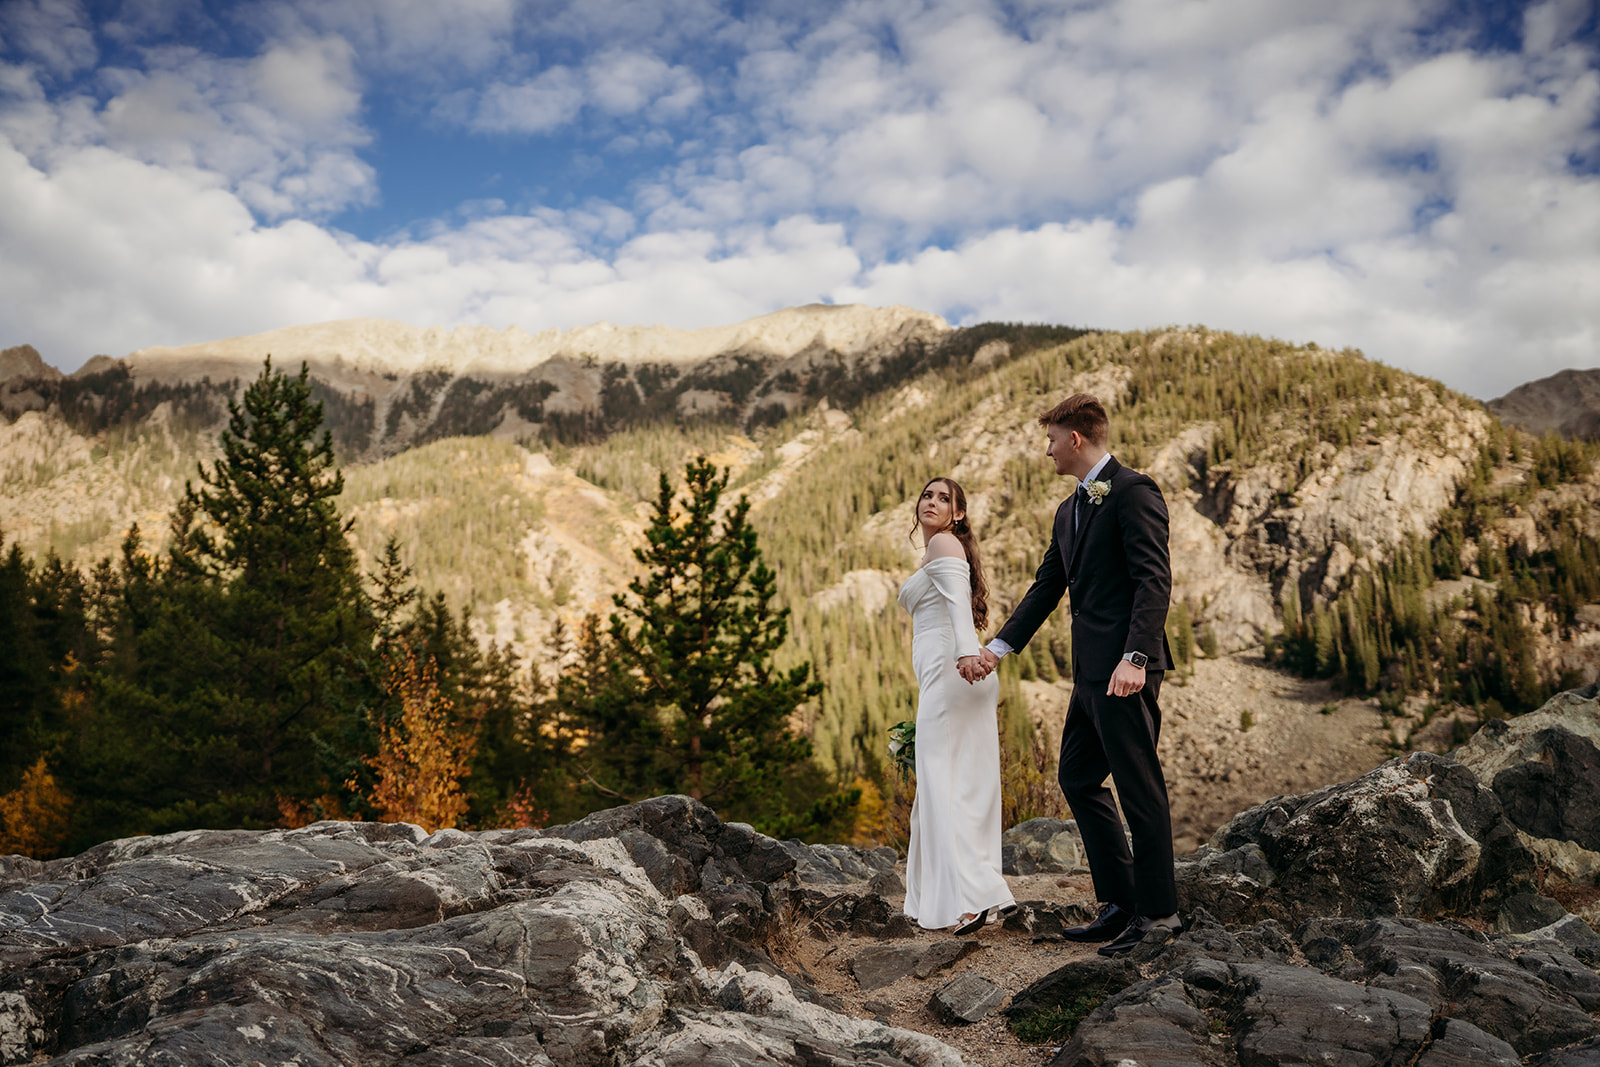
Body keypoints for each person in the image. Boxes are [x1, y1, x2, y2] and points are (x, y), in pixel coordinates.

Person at [963, 393, 1180, 956]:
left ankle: (1160, 917)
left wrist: (1136, 657)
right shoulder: (1069, 509)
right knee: (1078, 779)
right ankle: (1120, 902)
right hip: (1088, 675)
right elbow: (1046, 588)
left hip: (1126, 669)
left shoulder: (1134, 491)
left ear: (1076, 439)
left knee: (1139, 787)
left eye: (1052, 440)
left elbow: (1154, 580)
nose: (1048, 450)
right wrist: (998, 649)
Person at [898, 476, 1016, 934]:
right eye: (927, 495)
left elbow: (958, 612)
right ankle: (964, 893)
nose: (932, 502)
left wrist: (968, 654)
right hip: (950, 678)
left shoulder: (944, 545)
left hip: (955, 674)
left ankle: (970, 899)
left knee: (943, 783)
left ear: (958, 514)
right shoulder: (941, 548)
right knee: (960, 784)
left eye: (944, 498)